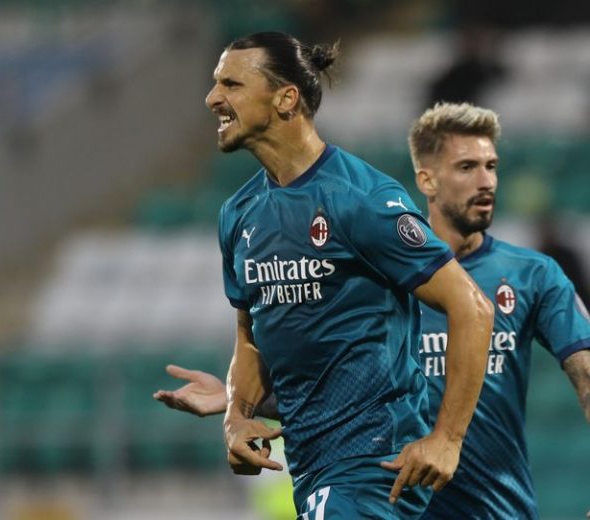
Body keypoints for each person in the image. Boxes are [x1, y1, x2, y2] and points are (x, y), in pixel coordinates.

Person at [155, 102, 590, 518]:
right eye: (466, 167)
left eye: (491, 166)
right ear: (427, 180)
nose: (486, 181)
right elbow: (344, 394)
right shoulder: (374, 275)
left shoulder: (533, 276)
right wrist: (243, 401)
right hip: (392, 504)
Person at [166, 32, 494, 519]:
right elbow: (250, 337)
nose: (213, 98)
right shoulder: (239, 213)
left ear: (286, 98)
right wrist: (237, 415)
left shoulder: (359, 199)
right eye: (216, 84)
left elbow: (472, 306)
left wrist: (447, 439)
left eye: (231, 84)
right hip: (312, 468)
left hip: (374, 462)